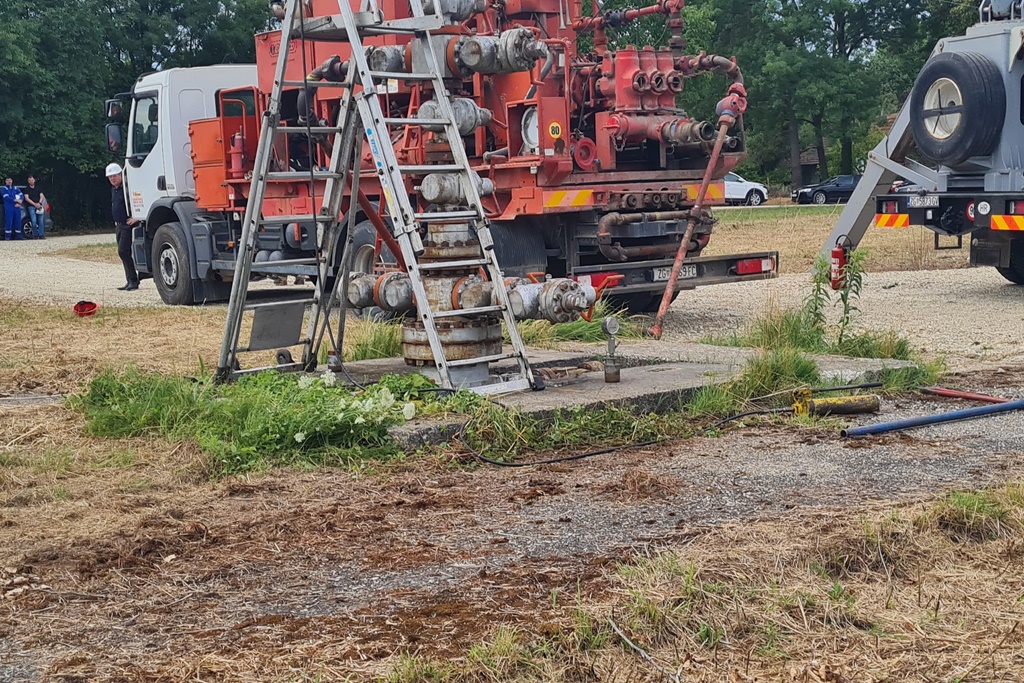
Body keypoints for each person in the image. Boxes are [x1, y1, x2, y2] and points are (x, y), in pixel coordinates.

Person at [107, 163, 140, 291]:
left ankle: (133, 280)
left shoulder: (128, 188)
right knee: (123, 253)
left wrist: (137, 217)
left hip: (128, 224)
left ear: (120, 175)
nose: (112, 178)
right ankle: (130, 280)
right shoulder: (113, 190)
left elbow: (138, 200)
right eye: (110, 177)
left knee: (123, 251)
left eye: (115, 176)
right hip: (119, 225)